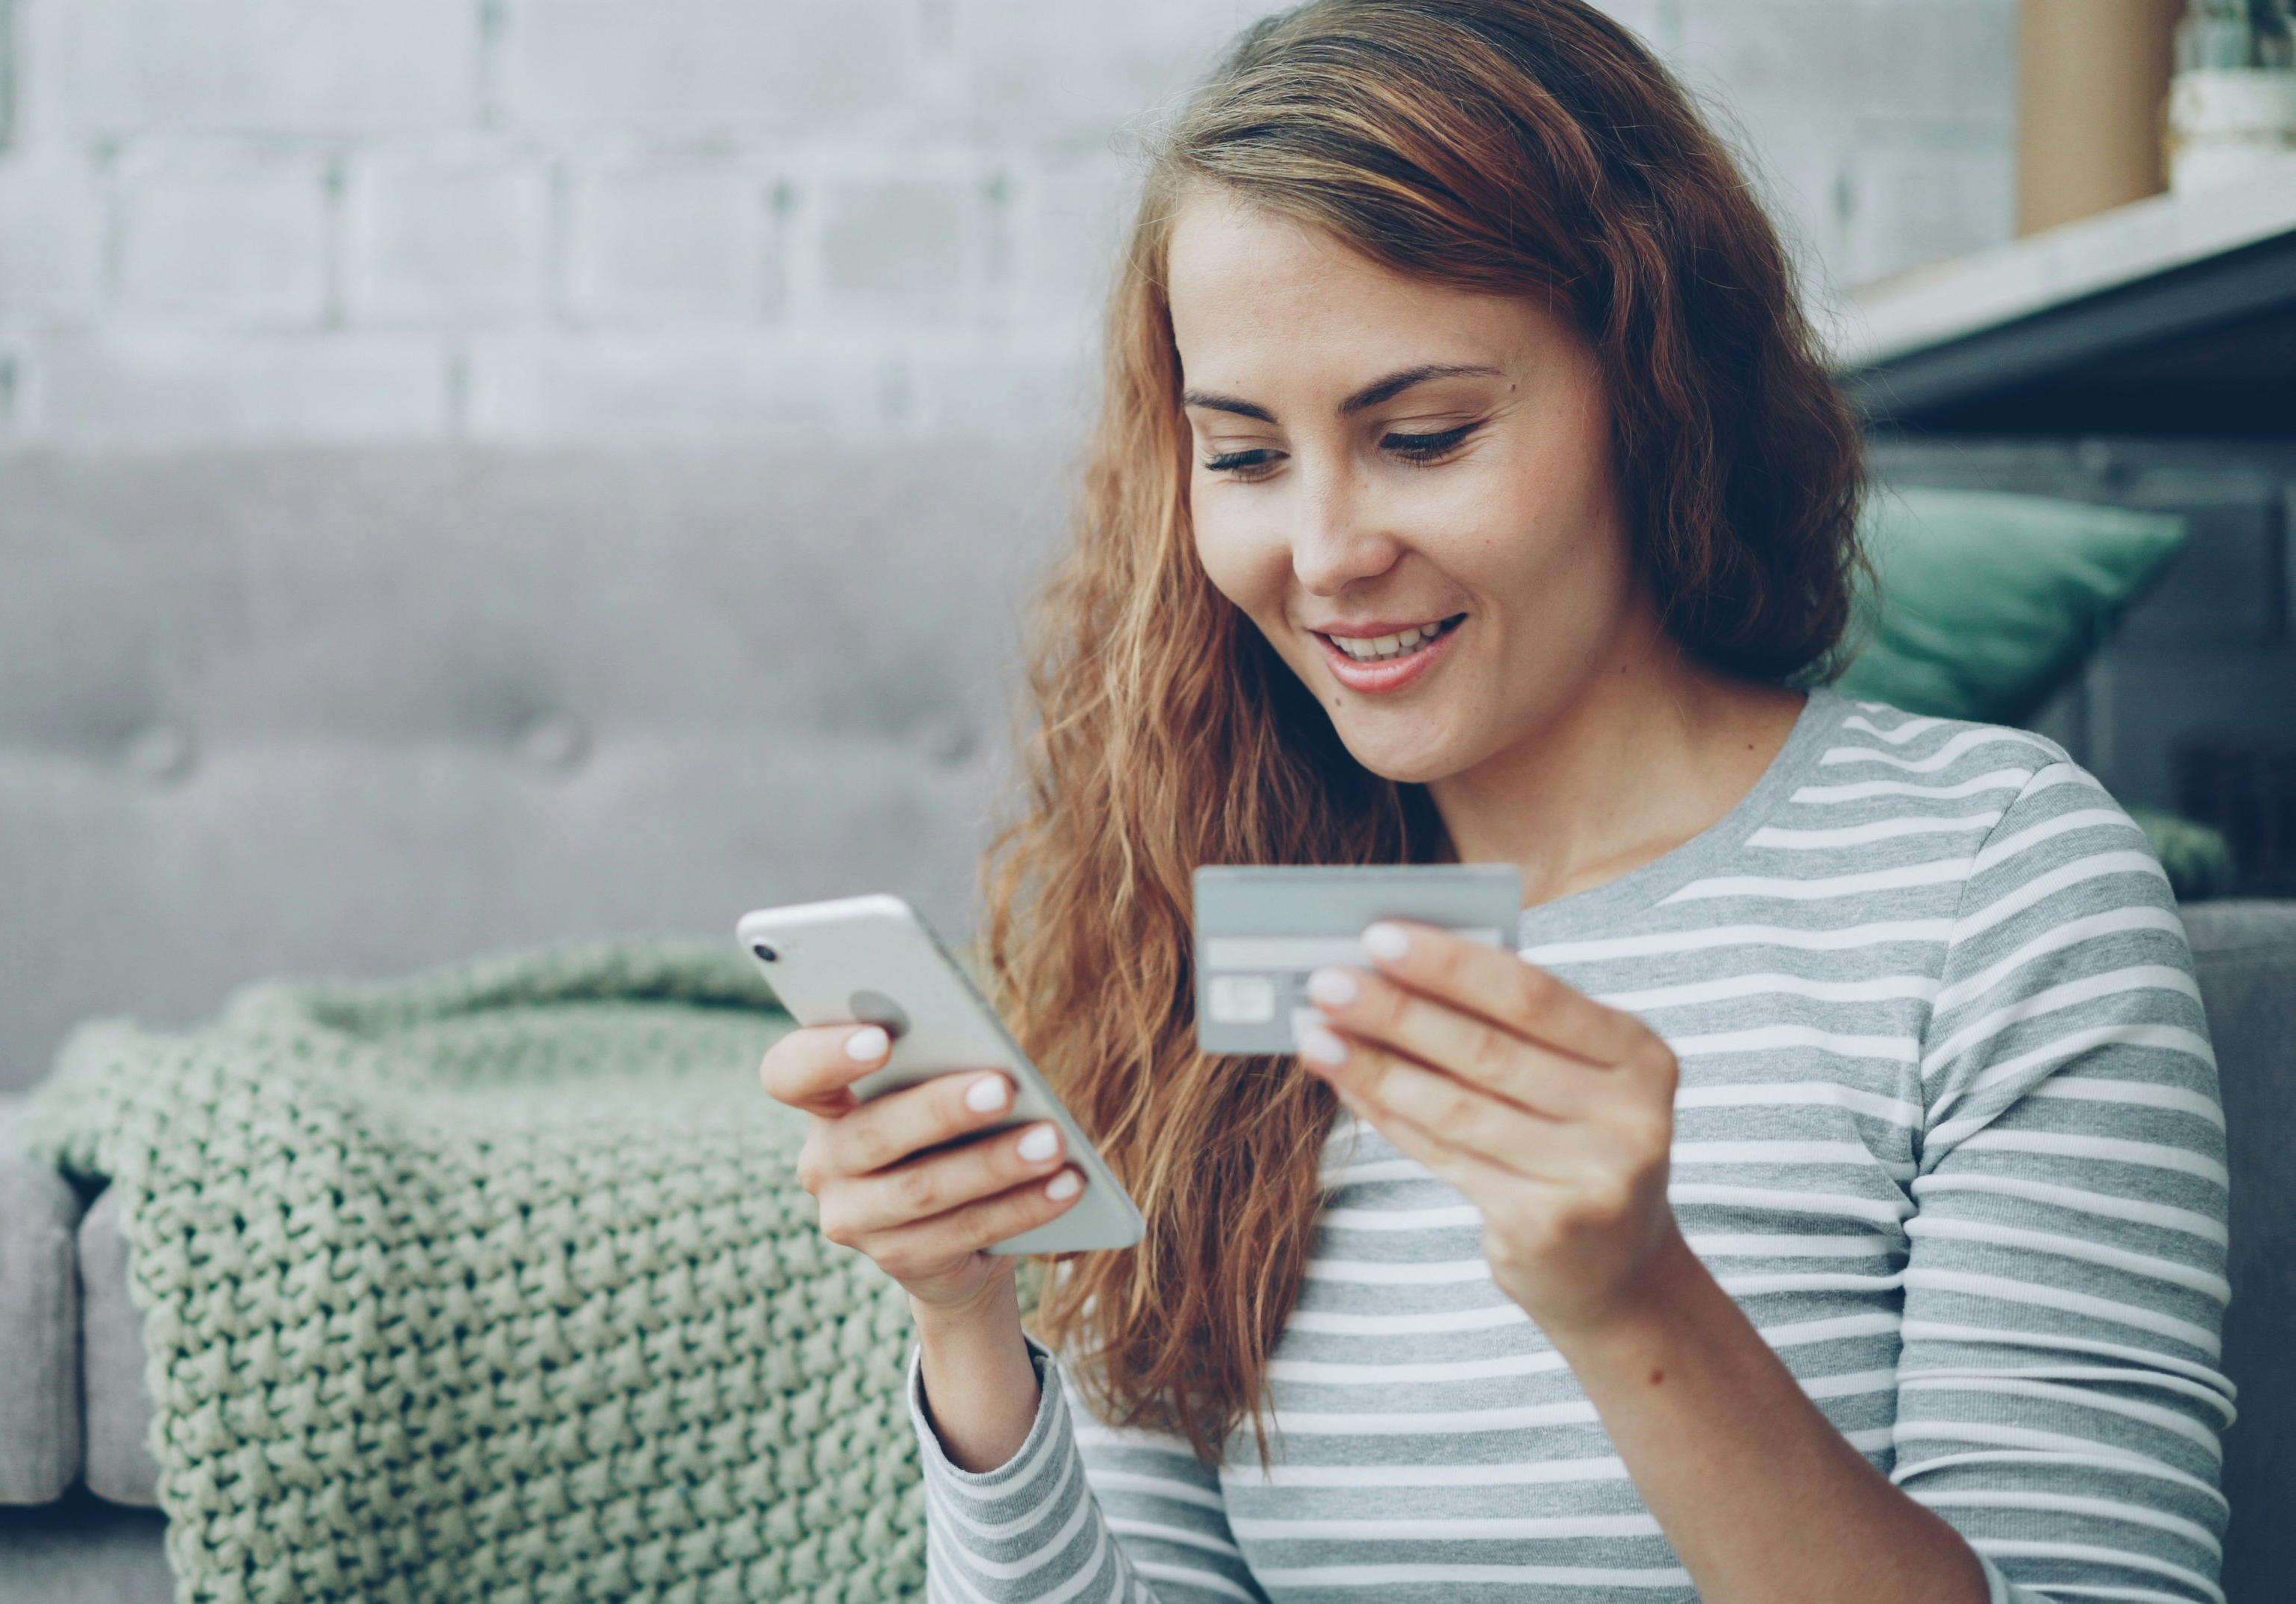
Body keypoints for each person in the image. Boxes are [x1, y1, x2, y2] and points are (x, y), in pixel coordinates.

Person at [759, 3, 2231, 1599]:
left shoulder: (1992, 884)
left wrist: (1635, 1299)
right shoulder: (1215, 909)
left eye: (1423, 436)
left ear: (1656, 388)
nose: (1325, 554)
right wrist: (970, 1326)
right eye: (1243, 458)